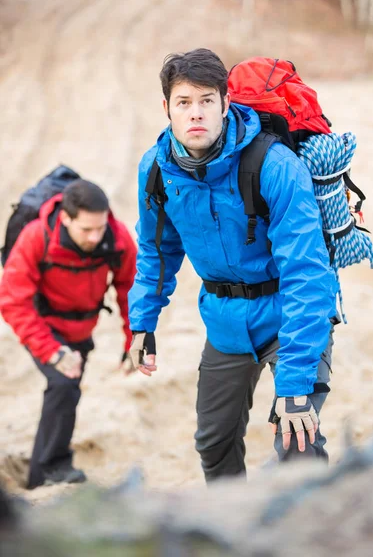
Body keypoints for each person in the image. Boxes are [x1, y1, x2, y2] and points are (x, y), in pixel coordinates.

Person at [126, 48, 338, 483]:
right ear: (166, 108)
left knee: (298, 441)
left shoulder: (275, 165)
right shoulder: (157, 169)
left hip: (290, 315)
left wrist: (296, 385)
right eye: (184, 103)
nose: (196, 113)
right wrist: (142, 323)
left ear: (226, 103)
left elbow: (306, 273)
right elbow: (156, 250)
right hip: (224, 319)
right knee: (214, 443)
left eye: (207, 100)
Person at [0, 179, 137, 489]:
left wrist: (133, 342)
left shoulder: (117, 238)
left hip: (81, 329)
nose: (95, 236)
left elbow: (130, 289)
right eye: (86, 229)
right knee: (63, 383)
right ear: (65, 218)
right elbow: (12, 301)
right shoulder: (36, 237)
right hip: (43, 325)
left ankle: (38, 473)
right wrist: (52, 350)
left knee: (67, 390)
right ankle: (52, 467)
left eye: (100, 227)